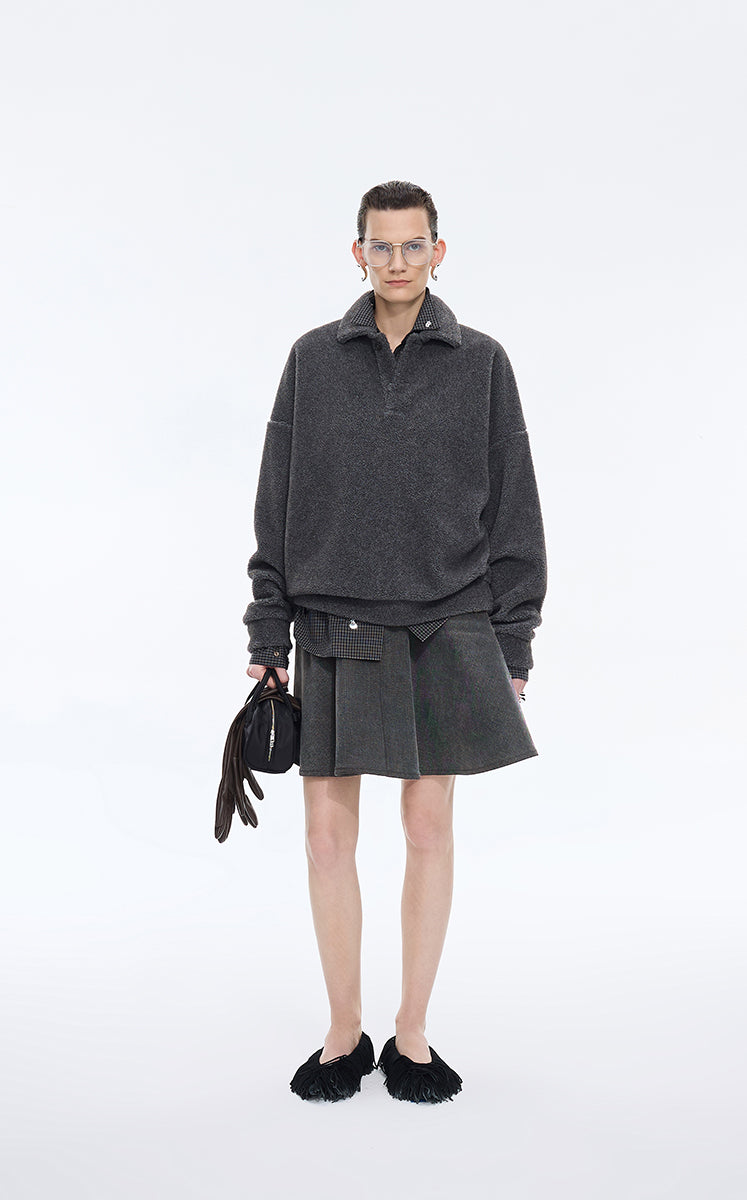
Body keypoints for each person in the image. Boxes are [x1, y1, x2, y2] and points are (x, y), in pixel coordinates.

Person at [242, 180, 548, 1104]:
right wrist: (267, 627)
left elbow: (514, 502)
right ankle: (344, 1033)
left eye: (415, 246)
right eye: (382, 246)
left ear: (438, 252)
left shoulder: (481, 361)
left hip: (446, 620)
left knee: (426, 828)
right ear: (358, 253)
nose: (399, 262)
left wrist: (514, 639)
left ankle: (411, 1035)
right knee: (325, 839)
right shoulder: (312, 358)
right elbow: (275, 498)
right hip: (330, 619)